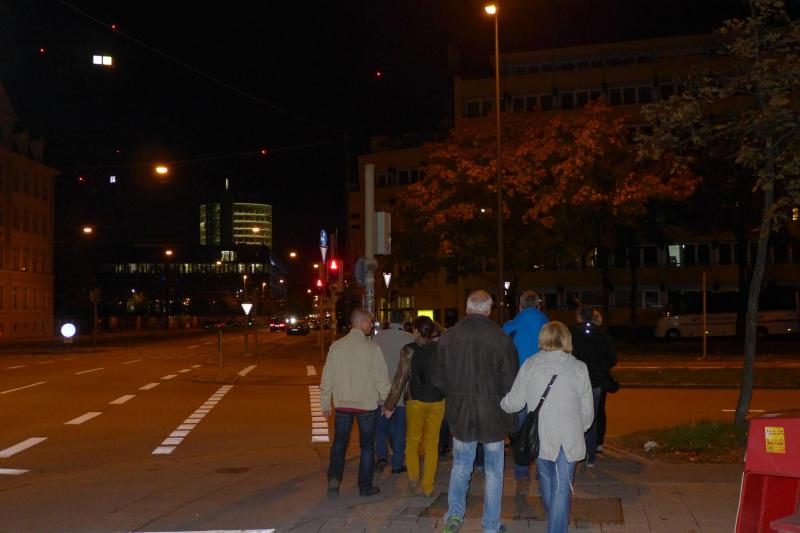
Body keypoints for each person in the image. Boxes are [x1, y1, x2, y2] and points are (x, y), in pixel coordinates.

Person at [431, 290, 519, 533]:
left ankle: (454, 516)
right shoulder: (501, 338)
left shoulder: (449, 337)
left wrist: (455, 392)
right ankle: (491, 525)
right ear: (489, 310)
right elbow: (511, 382)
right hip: (494, 416)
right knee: (494, 472)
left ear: (468, 308)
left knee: (461, 466)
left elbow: (437, 377)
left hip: (461, 413)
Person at [500, 321, 594, 533]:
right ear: (567, 339)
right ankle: (556, 523)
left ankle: (555, 524)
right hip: (568, 437)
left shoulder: (531, 364)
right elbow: (587, 410)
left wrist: (500, 403)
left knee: (547, 481)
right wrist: (581, 428)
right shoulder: (579, 368)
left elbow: (515, 402)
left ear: (542, 338)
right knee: (562, 487)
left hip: (540, 436)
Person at [320, 308, 391, 498]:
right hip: (366, 406)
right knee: (367, 446)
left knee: (339, 444)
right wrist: (387, 403)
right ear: (361, 323)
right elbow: (381, 379)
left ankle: (334, 481)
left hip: (343, 404)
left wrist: (325, 404)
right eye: (369, 322)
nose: (371, 325)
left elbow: (327, 378)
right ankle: (365, 486)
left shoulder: (337, 347)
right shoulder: (372, 348)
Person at [383, 315, 445, 497]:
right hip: (437, 400)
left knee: (412, 440)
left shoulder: (408, 350)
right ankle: (428, 486)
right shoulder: (441, 349)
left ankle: (413, 478)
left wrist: (389, 405)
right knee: (432, 443)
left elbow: (400, 379)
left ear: (416, 331)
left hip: (415, 400)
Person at [501, 290, 549, 493]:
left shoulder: (509, 327)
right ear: (539, 306)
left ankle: (522, 474)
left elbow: (501, 357)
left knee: (521, 432)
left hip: (518, 386)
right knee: (544, 430)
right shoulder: (549, 327)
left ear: (520, 307)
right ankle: (543, 471)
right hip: (545, 387)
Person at [570, 307, 617, 466]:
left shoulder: (571, 333)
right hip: (596, 381)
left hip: (576, 380)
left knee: (576, 416)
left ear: (578, 316)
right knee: (593, 415)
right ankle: (591, 454)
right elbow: (612, 358)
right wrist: (600, 367)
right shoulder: (602, 334)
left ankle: (578, 451)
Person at [373, 309, 415, 473]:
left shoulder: (378, 337)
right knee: (400, 431)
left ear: (389, 320)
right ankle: (397, 463)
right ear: (404, 322)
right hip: (402, 394)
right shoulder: (409, 338)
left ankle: (381, 456)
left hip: (381, 393)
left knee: (380, 428)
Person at [591, 310, 615, 453]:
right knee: (600, 410)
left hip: (590, 378)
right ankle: (599, 442)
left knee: (589, 410)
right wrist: (603, 367)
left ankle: (591, 441)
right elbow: (613, 358)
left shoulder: (584, 335)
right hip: (601, 378)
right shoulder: (604, 336)